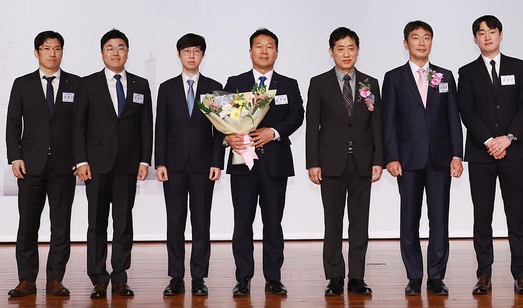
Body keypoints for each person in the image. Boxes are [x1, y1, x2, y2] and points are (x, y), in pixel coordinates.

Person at [381, 20, 463, 296]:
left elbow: (453, 118)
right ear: (406, 43)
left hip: (440, 159)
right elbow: (388, 121)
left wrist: (457, 154)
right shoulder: (394, 77)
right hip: (407, 159)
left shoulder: (444, 75)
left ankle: (436, 276)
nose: (421, 43)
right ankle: (414, 276)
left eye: (426, 37)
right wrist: (391, 157)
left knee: (439, 219)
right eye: (416, 38)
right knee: (409, 220)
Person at [222, 28, 304, 297]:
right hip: (242, 164)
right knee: (242, 224)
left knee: (273, 224)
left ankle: (274, 278)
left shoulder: (288, 84)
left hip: (275, 164)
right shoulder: (235, 82)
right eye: (259, 46)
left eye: (270, 46)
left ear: (277, 53)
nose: (264, 51)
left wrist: (274, 132)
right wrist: (228, 137)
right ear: (250, 52)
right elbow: (220, 117)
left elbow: (297, 115)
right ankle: (243, 278)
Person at [73, 29, 153, 299]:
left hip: (128, 164)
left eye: (121, 47)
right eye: (110, 48)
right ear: (102, 53)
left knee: (123, 223)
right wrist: (81, 161)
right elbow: (78, 126)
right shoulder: (87, 84)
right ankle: (98, 278)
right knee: (96, 223)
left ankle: (120, 277)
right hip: (96, 165)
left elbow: (146, 126)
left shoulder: (141, 85)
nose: (115, 52)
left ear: (128, 52)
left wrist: (145, 160)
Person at [457, 15, 523, 295]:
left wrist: (507, 138)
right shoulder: (466, 72)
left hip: (513, 151)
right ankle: (484, 274)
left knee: (516, 216)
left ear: (501, 34)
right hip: (481, 154)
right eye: (481, 33)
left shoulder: (518, 66)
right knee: (482, 216)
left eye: (492, 31)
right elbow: (467, 112)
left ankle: (521, 275)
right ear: (475, 38)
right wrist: (490, 141)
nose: (487, 36)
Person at [305, 27, 384, 296]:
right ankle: (335, 277)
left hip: (362, 162)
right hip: (330, 163)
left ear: (358, 51)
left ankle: (357, 277)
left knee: (360, 223)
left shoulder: (370, 83)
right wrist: (312, 162)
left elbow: (376, 124)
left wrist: (378, 159)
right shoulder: (319, 83)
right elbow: (312, 126)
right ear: (331, 52)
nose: (346, 54)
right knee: (333, 223)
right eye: (340, 49)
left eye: (351, 48)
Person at [6, 31, 80, 298]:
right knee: (27, 224)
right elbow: (13, 123)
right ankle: (26, 279)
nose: (52, 53)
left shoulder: (76, 84)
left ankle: (55, 279)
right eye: (46, 48)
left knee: (61, 225)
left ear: (62, 52)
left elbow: (80, 126)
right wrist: (15, 156)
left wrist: (80, 159)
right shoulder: (22, 84)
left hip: (64, 165)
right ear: (36, 52)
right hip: (30, 166)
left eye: (57, 48)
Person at [155, 33, 223, 297]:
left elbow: (220, 130)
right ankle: (176, 277)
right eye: (186, 51)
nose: (191, 56)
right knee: (175, 221)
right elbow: (161, 128)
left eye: (196, 51)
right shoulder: (167, 88)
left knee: (201, 221)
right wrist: (160, 162)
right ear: (179, 54)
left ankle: (198, 277)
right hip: (173, 166)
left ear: (202, 55)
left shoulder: (214, 87)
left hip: (204, 166)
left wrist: (217, 161)